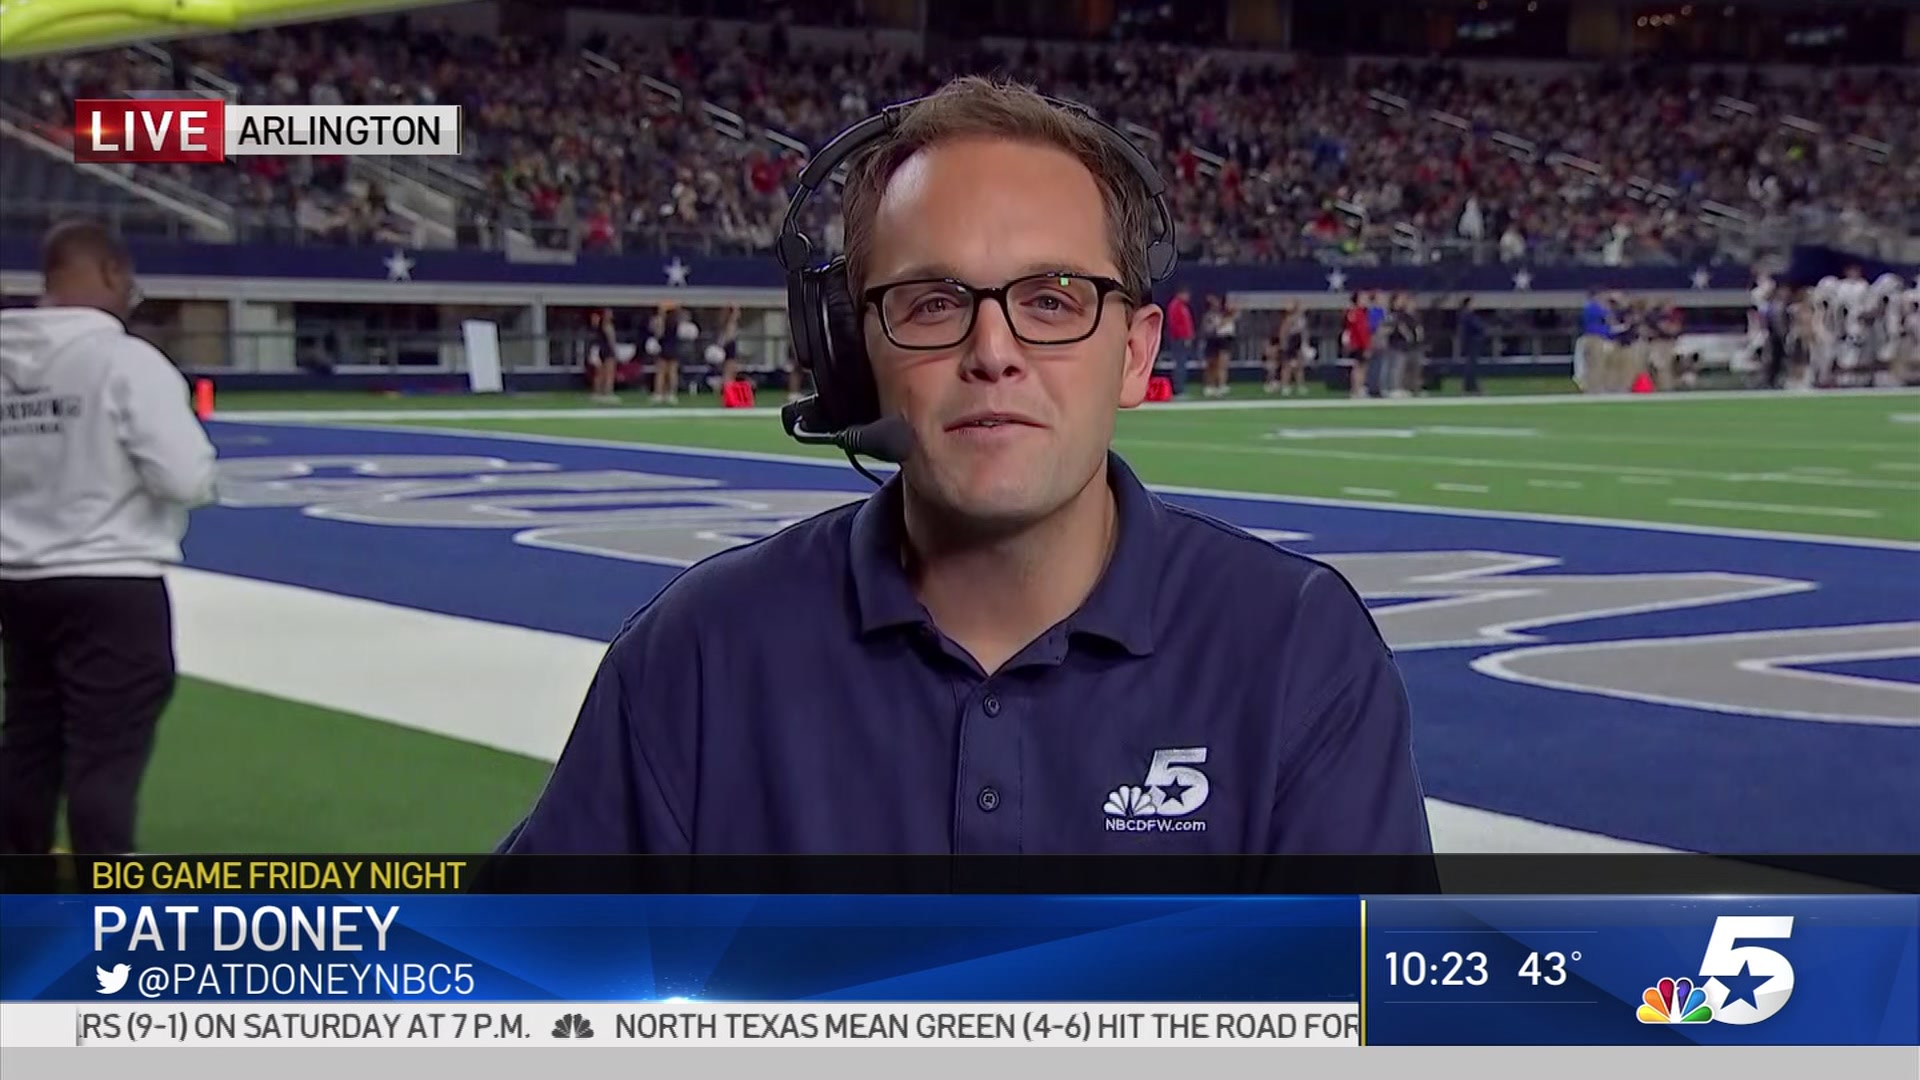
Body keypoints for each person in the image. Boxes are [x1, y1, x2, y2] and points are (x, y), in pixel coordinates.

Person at [498, 78, 1430, 856]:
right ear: (850, 355)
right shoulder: (699, 653)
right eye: (934, 302)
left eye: (1055, 300)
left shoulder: (1297, 649)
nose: (994, 351)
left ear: (1138, 355)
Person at [0, 219, 217, 855]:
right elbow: (183, 477)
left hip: (17, 578)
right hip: (112, 578)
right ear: (111, 274)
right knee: (106, 755)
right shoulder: (125, 360)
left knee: (28, 742)